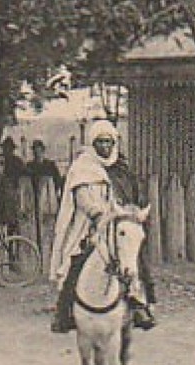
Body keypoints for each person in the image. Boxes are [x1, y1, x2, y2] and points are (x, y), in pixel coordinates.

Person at [48, 119, 155, 333]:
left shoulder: (121, 168)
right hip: (89, 225)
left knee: (133, 256)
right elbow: (82, 198)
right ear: (92, 143)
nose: (105, 147)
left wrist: (129, 211)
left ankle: (139, 303)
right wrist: (98, 214)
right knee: (77, 260)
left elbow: (132, 194)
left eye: (109, 142)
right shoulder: (82, 167)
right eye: (100, 142)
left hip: (117, 223)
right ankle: (65, 311)